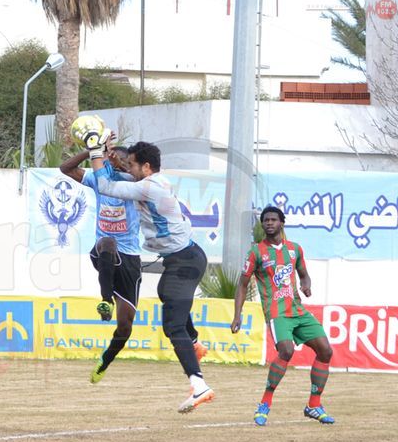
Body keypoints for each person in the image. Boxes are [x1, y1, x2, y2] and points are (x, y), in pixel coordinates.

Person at [81, 134, 214, 413]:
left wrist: (95, 151)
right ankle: (195, 343)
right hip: (183, 258)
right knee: (166, 293)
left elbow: (106, 185)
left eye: (132, 164)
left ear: (146, 167)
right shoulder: (151, 181)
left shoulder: (149, 187)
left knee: (172, 327)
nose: (128, 168)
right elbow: (121, 175)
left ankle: (199, 385)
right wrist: (112, 157)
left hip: (186, 262)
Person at [231, 206, 334, 425]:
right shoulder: (256, 252)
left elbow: (304, 275)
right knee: (286, 351)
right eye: (266, 220)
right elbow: (242, 284)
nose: (269, 223)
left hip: (298, 310)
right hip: (277, 313)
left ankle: (314, 405)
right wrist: (237, 315)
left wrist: (306, 285)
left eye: (273, 219)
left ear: (281, 223)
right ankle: (265, 403)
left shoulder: (295, 249)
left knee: (326, 351)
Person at [58, 145, 143, 384]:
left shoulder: (133, 183)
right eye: (109, 157)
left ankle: (105, 361)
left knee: (125, 326)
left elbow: (142, 179)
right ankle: (106, 300)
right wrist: (92, 149)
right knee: (107, 242)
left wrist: (121, 166)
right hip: (104, 252)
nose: (112, 161)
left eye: (122, 160)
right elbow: (66, 168)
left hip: (130, 258)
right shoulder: (99, 179)